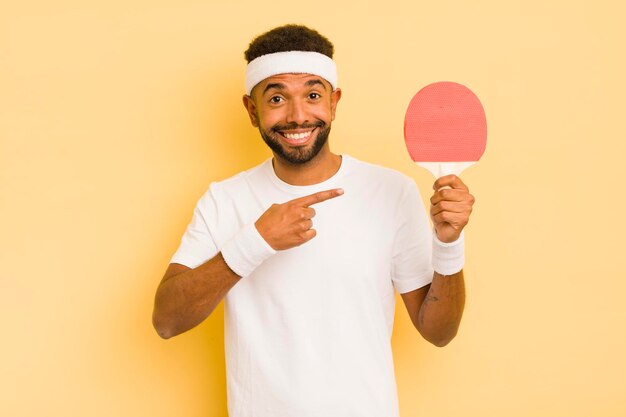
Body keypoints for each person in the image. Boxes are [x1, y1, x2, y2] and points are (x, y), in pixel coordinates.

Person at [152, 24, 475, 417]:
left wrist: (448, 244)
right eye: (276, 98)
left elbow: (438, 331)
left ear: (334, 102)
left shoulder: (392, 191)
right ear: (251, 111)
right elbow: (167, 320)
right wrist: (255, 241)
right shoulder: (225, 200)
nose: (297, 115)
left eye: (313, 94)